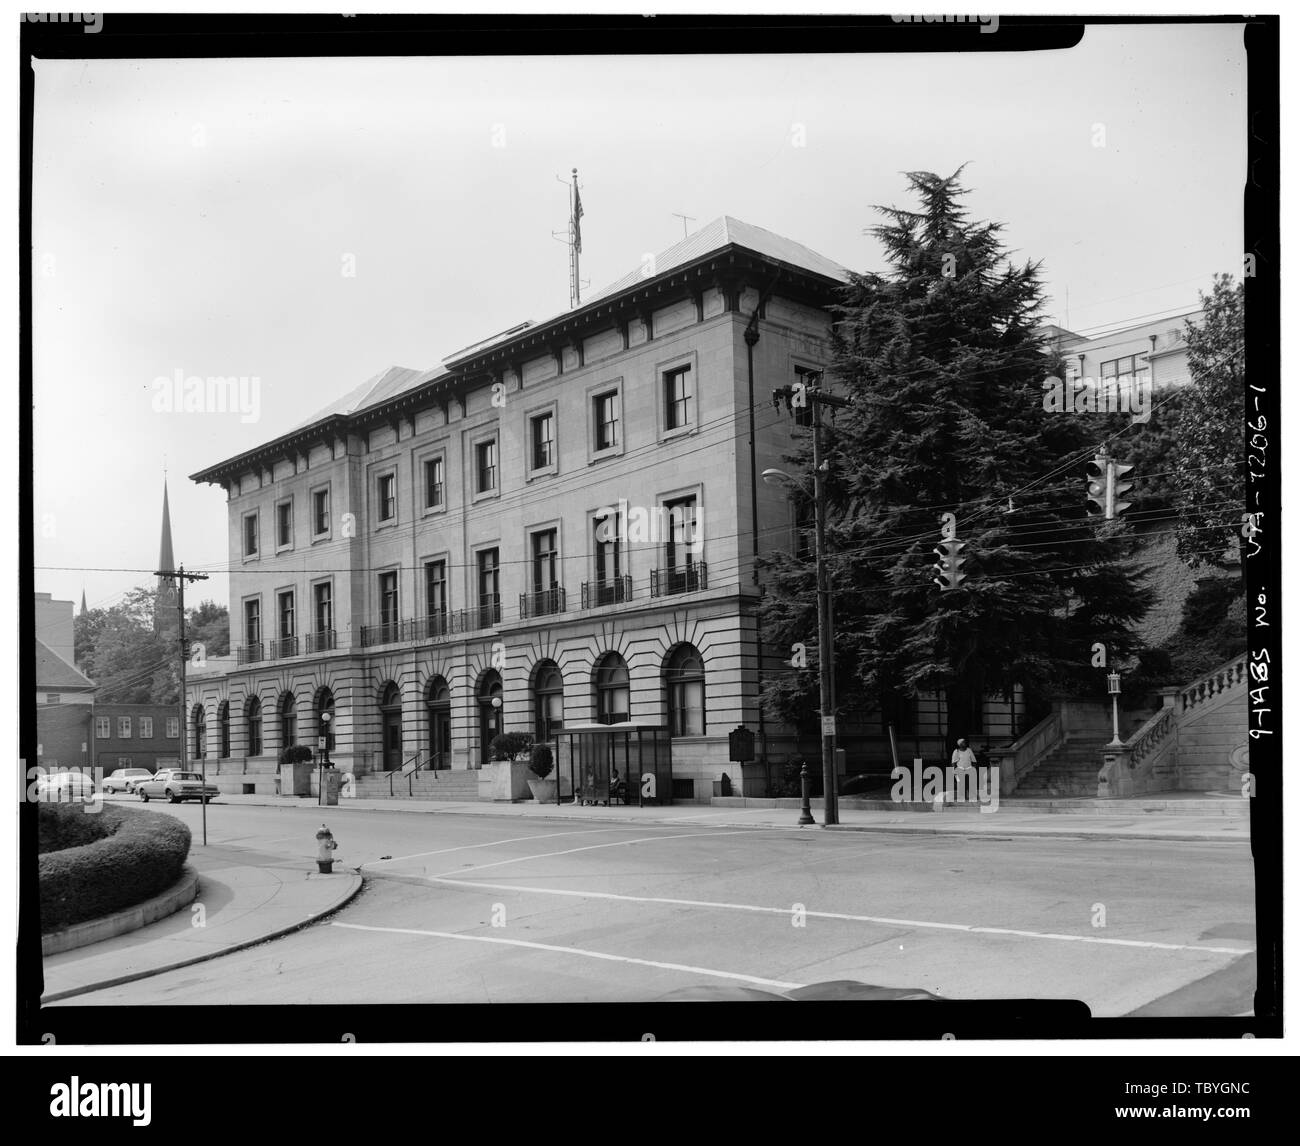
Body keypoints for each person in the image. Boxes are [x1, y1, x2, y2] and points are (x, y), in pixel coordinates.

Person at [951, 738, 977, 805]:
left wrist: (973, 769)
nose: (965, 743)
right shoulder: (956, 751)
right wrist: (954, 771)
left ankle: (972, 797)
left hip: (969, 769)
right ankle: (961, 798)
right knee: (960, 784)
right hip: (960, 769)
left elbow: (974, 760)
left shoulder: (969, 750)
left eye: (965, 742)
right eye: (963, 742)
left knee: (971, 783)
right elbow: (953, 762)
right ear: (959, 744)